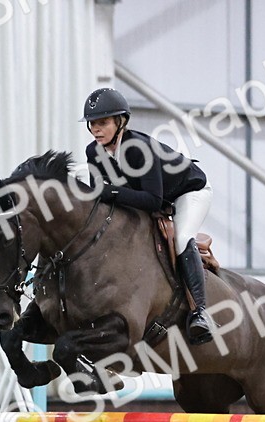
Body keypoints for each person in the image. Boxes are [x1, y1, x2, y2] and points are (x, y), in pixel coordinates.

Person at [81, 87, 213, 344]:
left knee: (183, 237)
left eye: (103, 122)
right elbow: (101, 198)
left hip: (188, 191)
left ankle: (200, 312)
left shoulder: (138, 148)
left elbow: (152, 200)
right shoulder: (93, 152)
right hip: (149, 197)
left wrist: (110, 192)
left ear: (121, 122)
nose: (96, 129)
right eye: (92, 124)